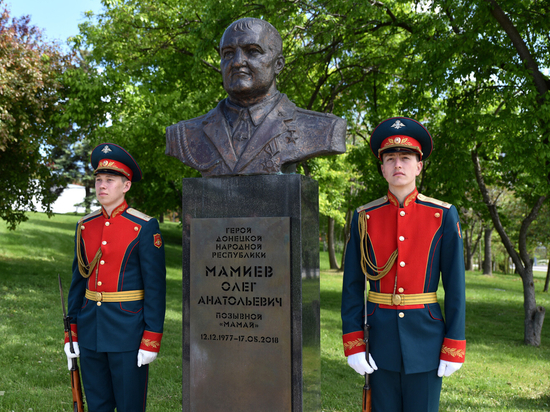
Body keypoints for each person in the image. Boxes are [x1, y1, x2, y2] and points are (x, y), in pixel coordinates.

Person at [341, 117, 466, 412]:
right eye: (391, 158)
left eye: (406, 158)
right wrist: (354, 342)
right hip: (379, 341)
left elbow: (456, 286)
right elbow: (352, 286)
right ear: (382, 167)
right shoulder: (364, 217)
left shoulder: (442, 215)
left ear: (418, 166)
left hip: (427, 341)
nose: (398, 164)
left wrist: (454, 345)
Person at [165, 17, 346, 176]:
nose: (237, 62)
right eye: (228, 54)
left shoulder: (322, 129)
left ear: (278, 64)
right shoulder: (184, 134)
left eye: (252, 51)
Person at [63, 143, 166, 412]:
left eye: (110, 180)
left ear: (126, 186)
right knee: (97, 405)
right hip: (89, 330)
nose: (102, 186)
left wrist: (151, 338)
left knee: (129, 405)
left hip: (127, 332)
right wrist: (71, 334)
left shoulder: (143, 227)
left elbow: (155, 288)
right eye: (98, 180)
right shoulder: (86, 226)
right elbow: (78, 282)